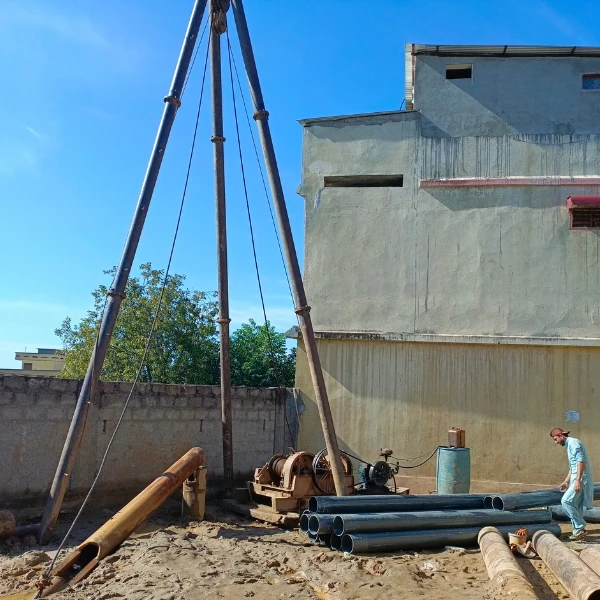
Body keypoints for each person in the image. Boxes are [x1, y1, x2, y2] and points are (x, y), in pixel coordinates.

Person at [550, 427, 593, 540]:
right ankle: (578, 532)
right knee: (576, 505)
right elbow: (573, 466)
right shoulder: (570, 445)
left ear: (561, 436)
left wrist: (578, 480)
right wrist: (566, 481)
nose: (556, 442)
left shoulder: (574, 443)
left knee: (566, 501)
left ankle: (580, 526)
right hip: (576, 477)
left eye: (556, 439)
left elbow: (580, 462)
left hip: (581, 478)